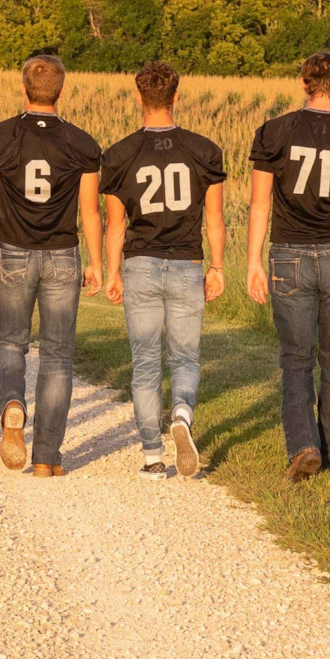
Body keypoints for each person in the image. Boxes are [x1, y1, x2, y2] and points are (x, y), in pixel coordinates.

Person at [244, 50, 330, 481]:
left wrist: (252, 261)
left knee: (295, 357)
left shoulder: (274, 132)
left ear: (304, 84)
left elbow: (259, 203)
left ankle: (304, 444)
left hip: (288, 252)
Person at [0, 52, 104, 475]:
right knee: (58, 355)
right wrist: (96, 262)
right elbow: (89, 212)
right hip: (63, 255)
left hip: (12, 252)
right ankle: (47, 457)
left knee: (10, 343)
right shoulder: (82, 143)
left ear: (22, 88)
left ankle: (12, 405)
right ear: (61, 91)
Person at [95, 60, 228, 479]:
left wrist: (112, 271)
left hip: (140, 264)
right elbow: (215, 220)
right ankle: (183, 416)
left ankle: (153, 455)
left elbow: (115, 225)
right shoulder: (204, 151)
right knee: (185, 356)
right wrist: (218, 267)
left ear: (138, 97)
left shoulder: (118, 155)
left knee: (146, 361)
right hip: (187, 262)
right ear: (176, 96)